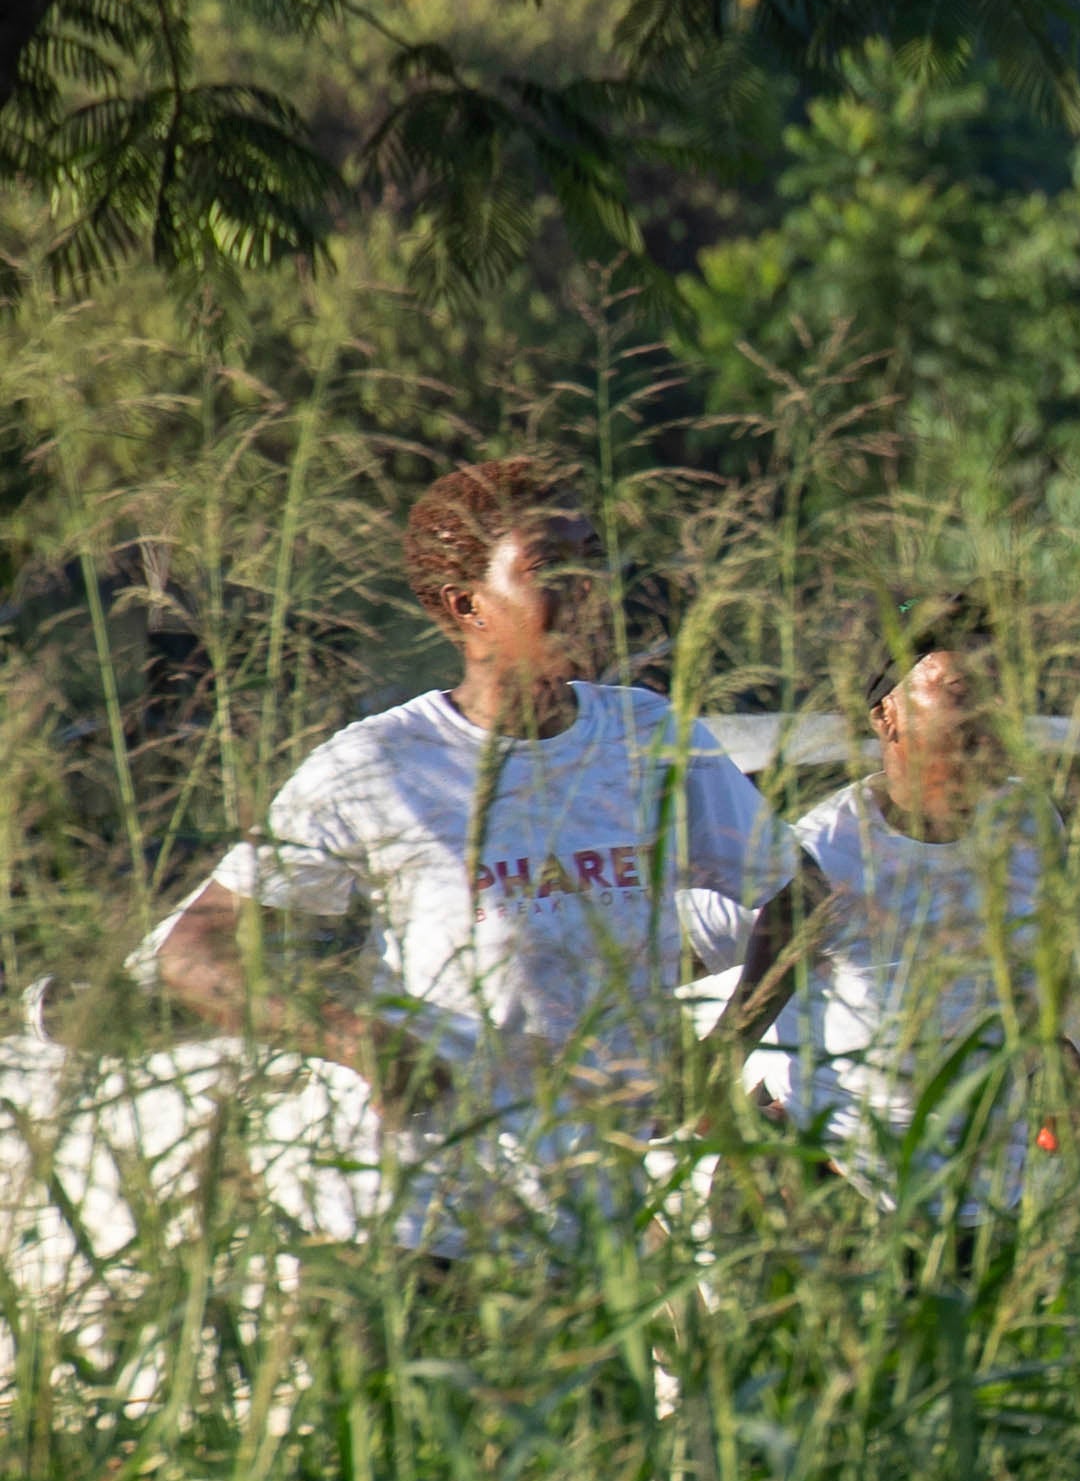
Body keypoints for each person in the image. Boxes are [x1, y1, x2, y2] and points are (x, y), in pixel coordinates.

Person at [143, 455, 812, 1252]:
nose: (591, 585)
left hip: (599, 1226)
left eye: (594, 555)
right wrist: (349, 1038)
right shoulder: (379, 765)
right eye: (549, 567)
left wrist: (721, 1051)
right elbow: (193, 951)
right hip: (420, 1227)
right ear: (468, 606)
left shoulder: (648, 736)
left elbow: (801, 896)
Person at [781, 599, 1049, 1205]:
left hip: (996, 1183)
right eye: (960, 690)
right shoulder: (821, 851)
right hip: (860, 1186)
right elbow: (708, 969)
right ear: (886, 716)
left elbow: (1035, 978)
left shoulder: (1028, 822)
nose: (988, 713)